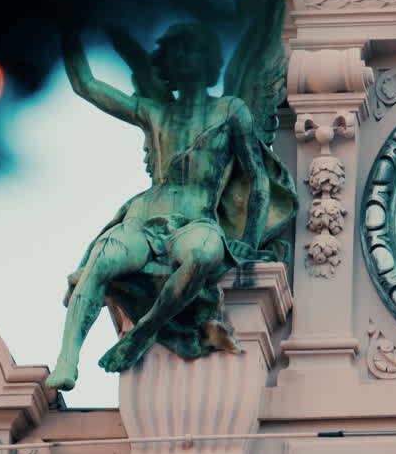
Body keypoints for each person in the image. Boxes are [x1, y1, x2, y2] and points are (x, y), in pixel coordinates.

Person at [46, 23, 292, 390]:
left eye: (188, 48)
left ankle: (146, 330)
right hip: (146, 217)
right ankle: (67, 359)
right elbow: (86, 85)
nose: (180, 56)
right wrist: (69, 27)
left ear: (208, 59)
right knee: (105, 258)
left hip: (198, 220)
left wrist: (250, 240)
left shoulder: (231, 109)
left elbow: (256, 177)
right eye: (174, 51)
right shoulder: (155, 113)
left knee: (204, 255)